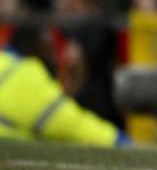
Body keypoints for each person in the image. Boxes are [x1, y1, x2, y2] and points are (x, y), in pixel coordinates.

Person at [0, 24, 128, 147]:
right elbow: (75, 125)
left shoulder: (6, 62)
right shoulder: (28, 77)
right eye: (51, 49)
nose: (57, 57)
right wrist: (122, 141)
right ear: (38, 49)